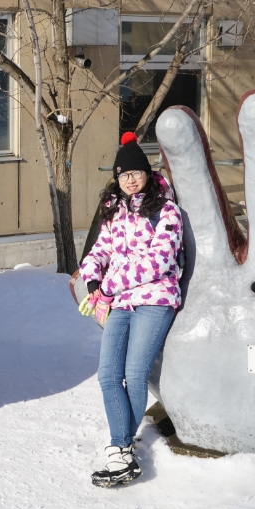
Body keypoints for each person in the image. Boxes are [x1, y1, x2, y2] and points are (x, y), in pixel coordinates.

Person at [78, 131, 183, 487]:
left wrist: (107, 285)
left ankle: (119, 448)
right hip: (121, 302)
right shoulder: (116, 213)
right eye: (123, 175)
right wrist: (93, 281)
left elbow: (159, 260)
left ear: (146, 173)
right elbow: (98, 251)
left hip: (156, 298)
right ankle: (121, 449)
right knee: (108, 375)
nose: (130, 180)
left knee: (135, 374)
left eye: (135, 173)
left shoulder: (165, 210)